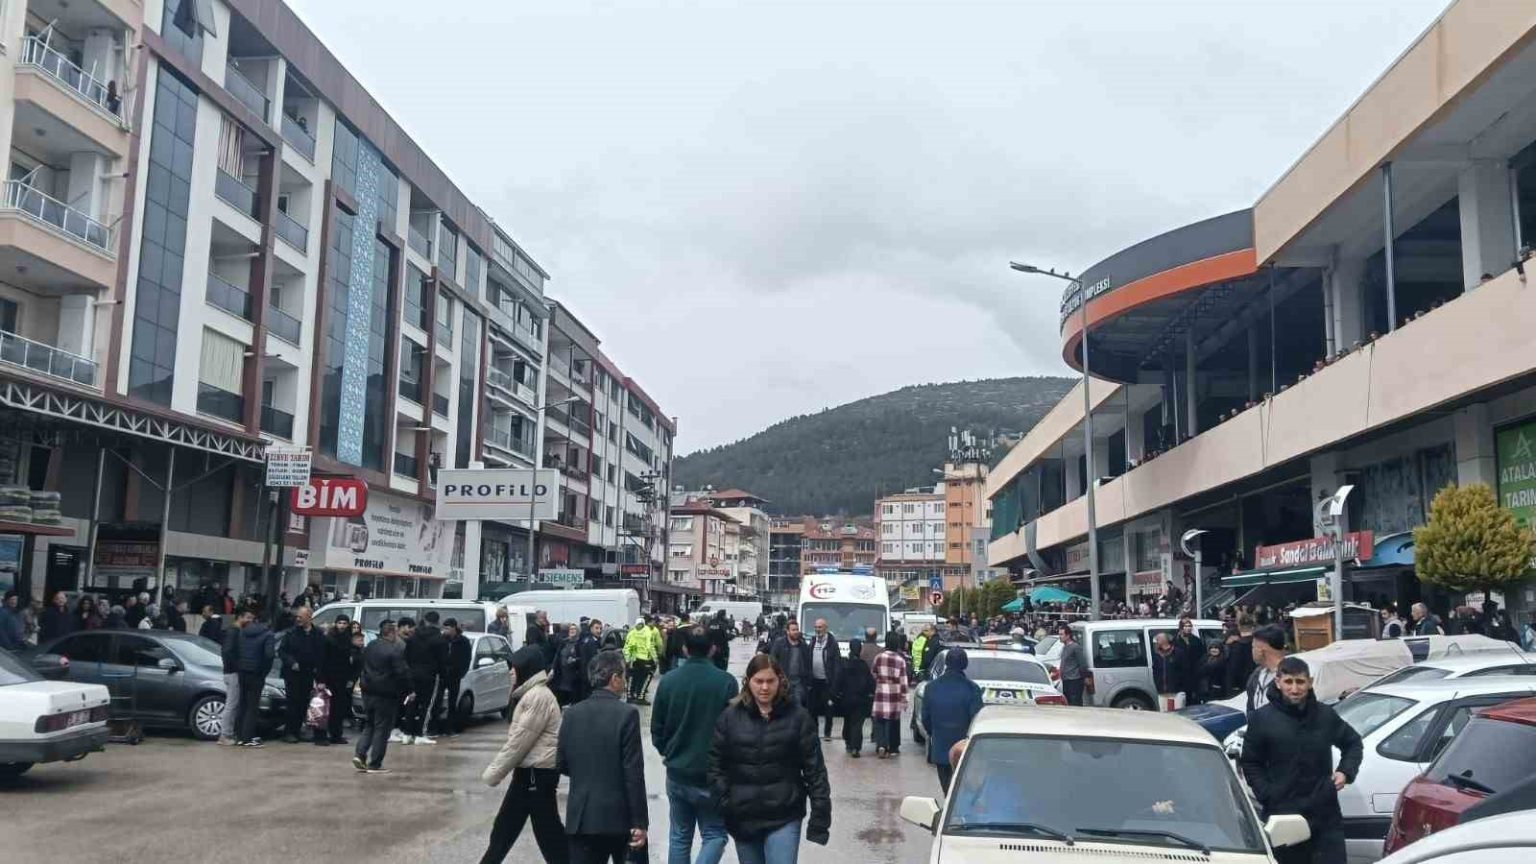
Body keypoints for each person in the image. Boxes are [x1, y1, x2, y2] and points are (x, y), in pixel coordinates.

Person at [708, 654, 831, 864]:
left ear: (780, 681)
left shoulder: (798, 717)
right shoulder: (730, 717)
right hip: (743, 816)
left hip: (784, 816)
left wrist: (820, 816)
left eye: (770, 681)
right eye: (759, 681)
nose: (764, 687)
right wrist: (726, 802)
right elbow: (715, 765)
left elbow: (815, 770)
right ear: (748, 682)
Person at [1240, 656, 1363, 864]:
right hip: (1283, 814)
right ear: (1278, 682)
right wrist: (1267, 793)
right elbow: (1251, 763)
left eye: (1300, 682)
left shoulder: (1325, 715)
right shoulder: (1261, 719)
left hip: (1325, 815)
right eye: (1288, 682)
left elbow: (1353, 743)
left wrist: (1345, 771)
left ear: (1310, 682)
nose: (1295, 689)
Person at [652, 626, 738, 864]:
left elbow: (657, 728)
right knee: (715, 834)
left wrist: (669, 751)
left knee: (680, 836)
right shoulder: (726, 682)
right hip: (712, 774)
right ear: (713, 649)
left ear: (684, 649)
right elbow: (735, 730)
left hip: (678, 771)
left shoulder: (668, 681)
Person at [558, 650, 648, 864]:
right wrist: (639, 821)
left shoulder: (571, 714)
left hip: (581, 817)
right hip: (619, 818)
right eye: (624, 676)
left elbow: (561, 762)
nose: (625, 682)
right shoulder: (626, 714)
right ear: (614, 678)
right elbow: (633, 772)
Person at [481, 646, 568, 864]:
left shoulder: (538, 697)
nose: (510, 672)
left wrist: (493, 773)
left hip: (535, 775)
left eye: (514, 667)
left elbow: (519, 743)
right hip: (530, 774)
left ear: (526, 669)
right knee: (505, 831)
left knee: (547, 836)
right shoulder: (531, 695)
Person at [921, 648, 983, 793]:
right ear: (965, 664)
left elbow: (925, 718)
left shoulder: (931, 688)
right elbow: (977, 720)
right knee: (962, 790)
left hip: (940, 746)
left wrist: (935, 733)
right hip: (964, 749)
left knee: (947, 790)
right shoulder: (972, 689)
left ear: (946, 663)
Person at [354, 619, 412, 774]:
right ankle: (375, 763)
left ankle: (360, 754)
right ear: (392, 633)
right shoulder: (394, 651)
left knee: (370, 724)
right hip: (386, 693)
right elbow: (402, 673)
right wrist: (409, 690)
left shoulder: (370, 646)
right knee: (382, 728)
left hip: (368, 691)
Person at [279, 605, 326, 743]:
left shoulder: (318, 634)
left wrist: (319, 672)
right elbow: (282, 651)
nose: (298, 619)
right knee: (293, 703)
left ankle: (299, 730)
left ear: (309, 617)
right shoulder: (291, 633)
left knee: (304, 703)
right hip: (293, 674)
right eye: (297, 616)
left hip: (309, 673)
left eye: (301, 617)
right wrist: (292, 662)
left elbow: (322, 654)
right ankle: (290, 732)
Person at [403, 611, 448, 744]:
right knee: (427, 705)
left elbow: (406, 656)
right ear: (438, 622)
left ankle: (407, 733)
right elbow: (443, 661)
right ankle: (420, 734)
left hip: (412, 674)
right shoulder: (440, 639)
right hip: (430, 675)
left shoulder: (413, 637)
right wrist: (443, 676)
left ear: (425, 620)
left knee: (411, 703)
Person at [235, 608, 276, 747]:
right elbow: (269, 655)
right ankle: (248, 737)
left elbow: (238, 650)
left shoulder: (243, 631)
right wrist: (264, 671)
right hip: (257, 673)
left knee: (242, 703)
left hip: (242, 671)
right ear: (269, 621)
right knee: (252, 706)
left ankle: (239, 735)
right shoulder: (268, 635)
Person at [320, 614, 361, 745]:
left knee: (338, 709)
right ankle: (321, 735)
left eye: (344, 623)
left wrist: (350, 678)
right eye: (340, 623)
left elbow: (352, 662)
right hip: (329, 678)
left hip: (342, 679)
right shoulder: (328, 639)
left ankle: (336, 734)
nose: (342, 626)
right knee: (325, 708)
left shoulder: (348, 640)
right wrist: (321, 679)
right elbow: (322, 660)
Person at [871, 631, 909, 758]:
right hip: (895, 692)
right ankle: (892, 747)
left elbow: (873, 673)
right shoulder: (900, 660)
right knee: (893, 722)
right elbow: (903, 681)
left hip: (881, 691)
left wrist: (880, 680)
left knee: (880, 720)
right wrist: (904, 699)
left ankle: (881, 745)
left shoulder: (878, 657)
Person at [217, 607, 252, 745]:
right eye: (248, 617)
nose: (250, 621)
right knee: (231, 705)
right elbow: (227, 651)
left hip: (232, 672)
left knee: (233, 704)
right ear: (240, 617)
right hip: (233, 673)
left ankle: (228, 733)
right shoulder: (233, 632)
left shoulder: (236, 631)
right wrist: (238, 666)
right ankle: (225, 735)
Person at [837, 639, 875, 758]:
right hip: (860, 699)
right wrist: (871, 692)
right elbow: (870, 682)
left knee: (847, 721)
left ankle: (848, 742)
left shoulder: (845, 664)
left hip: (847, 699)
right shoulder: (863, 666)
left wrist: (835, 694)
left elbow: (838, 680)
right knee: (857, 724)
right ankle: (855, 747)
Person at [806, 618, 841, 740]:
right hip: (814, 682)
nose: (817, 629)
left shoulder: (832, 643)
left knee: (828, 708)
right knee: (813, 709)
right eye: (816, 627)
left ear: (826, 628)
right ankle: (814, 732)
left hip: (827, 682)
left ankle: (827, 733)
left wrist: (835, 684)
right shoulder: (812, 641)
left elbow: (837, 665)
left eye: (820, 627)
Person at [1246, 625, 1288, 718]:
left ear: (1261, 650)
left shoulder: (1291, 678)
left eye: (1253, 647)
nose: (1252, 651)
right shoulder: (1256, 675)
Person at [439, 618, 472, 736]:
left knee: (452, 702)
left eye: (448, 628)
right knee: (437, 700)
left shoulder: (463, 641)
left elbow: (467, 658)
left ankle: (450, 727)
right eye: (444, 628)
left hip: (455, 675)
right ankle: (435, 726)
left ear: (454, 628)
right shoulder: (442, 640)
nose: (445, 631)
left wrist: (461, 672)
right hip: (442, 675)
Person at [768, 619, 812, 705]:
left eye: (797, 629)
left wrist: (808, 682)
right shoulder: (779, 643)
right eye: (793, 630)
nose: (796, 632)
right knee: (782, 706)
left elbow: (808, 664)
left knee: (797, 706)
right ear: (787, 631)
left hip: (799, 683)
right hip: (783, 682)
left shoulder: (803, 645)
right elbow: (772, 661)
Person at [624, 615, 661, 704]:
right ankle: (640, 697)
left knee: (633, 677)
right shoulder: (648, 632)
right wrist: (655, 658)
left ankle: (630, 696)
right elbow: (650, 646)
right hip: (645, 659)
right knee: (645, 678)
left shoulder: (632, 631)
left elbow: (627, 644)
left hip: (634, 659)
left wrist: (627, 658)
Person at [1173, 618, 1205, 705]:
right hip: (1181, 674)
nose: (1188, 628)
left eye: (1189, 626)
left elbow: (1202, 654)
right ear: (1181, 627)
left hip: (1194, 673)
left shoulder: (1196, 640)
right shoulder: (1176, 640)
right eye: (1185, 626)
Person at [552, 623, 585, 706]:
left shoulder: (580, 643)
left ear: (578, 631)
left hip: (574, 678)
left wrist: (575, 660)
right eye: (570, 629)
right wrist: (553, 668)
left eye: (574, 629)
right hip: (562, 678)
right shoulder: (564, 642)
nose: (572, 631)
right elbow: (557, 656)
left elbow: (583, 658)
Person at [1151, 633, 1187, 706]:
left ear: (1163, 640)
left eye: (1157, 640)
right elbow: (1155, 672)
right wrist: (1158, 685)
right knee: (1165, 713)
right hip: (1162, 692)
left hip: (1177, 692)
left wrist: (1182, 686)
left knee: (1177, 712)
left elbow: (1185, 671)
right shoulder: (1157, 655)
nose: (1156, 642)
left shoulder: (1178, 653)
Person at [1056, 625, 1088, 706]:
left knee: (1074, 702)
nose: (1060, 636)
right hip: (1066, 680)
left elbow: (1082, 664)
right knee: (1067, 702)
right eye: (1059, 634)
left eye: (1061, 634)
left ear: (1068, 635)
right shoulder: (1064, 647)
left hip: (1074, 681)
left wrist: (1084, 677)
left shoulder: (1075, 647)